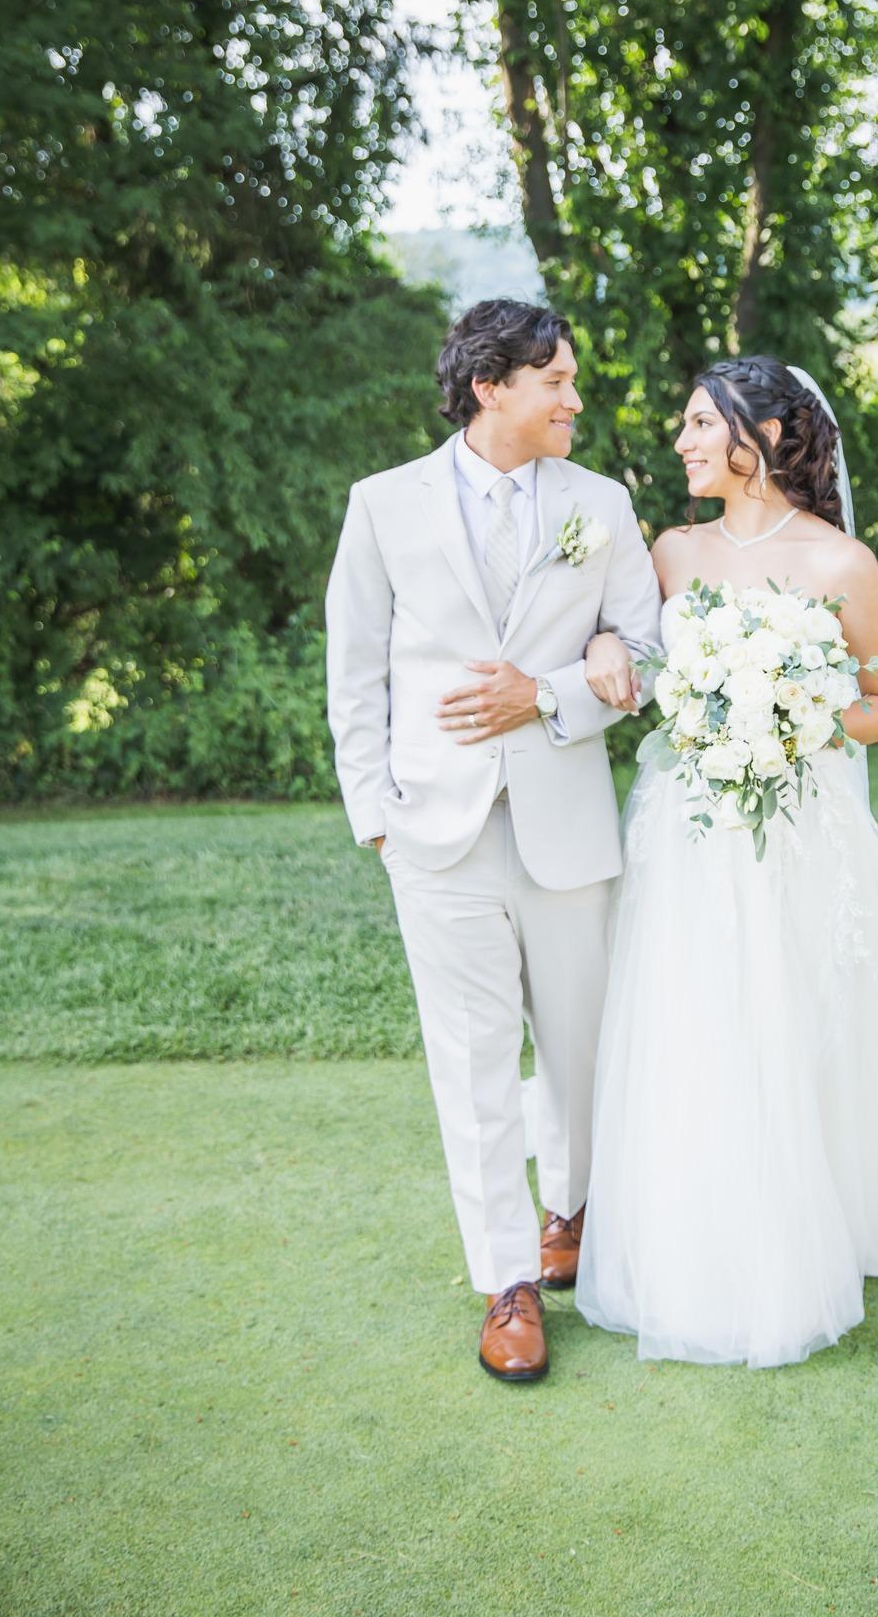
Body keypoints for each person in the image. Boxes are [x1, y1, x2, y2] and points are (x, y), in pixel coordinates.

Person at [574, 356, 878, 1368]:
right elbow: (631, 657)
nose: (681, 441)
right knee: (688, 1011)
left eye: (700, 423)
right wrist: (616, 658)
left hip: (795, 824)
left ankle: (803, 1216)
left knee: (792, 1012)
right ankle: (691, 1221)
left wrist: (790, 717)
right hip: (685, 825)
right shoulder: (669, 551)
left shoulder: (842, 564)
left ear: (765, 434)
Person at [325, 299, 662, 1384]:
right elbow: (355, 669)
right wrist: (377, 813)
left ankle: (573, 1209)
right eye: (556, 380)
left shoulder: (601, 503)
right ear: (490, 387)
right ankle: (506, 1281)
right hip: (435, 831)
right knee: (470, 1062)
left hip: (567, 825)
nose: (575, 398)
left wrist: (552, 692)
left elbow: (646, 652)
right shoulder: (383, 504)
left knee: (579, 1046)